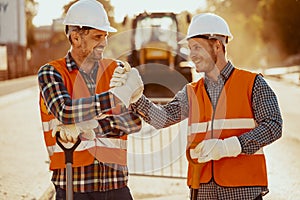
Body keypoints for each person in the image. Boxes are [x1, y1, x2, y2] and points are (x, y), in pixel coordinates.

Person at [110, 13, 283, 200]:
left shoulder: (252, 83)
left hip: (242, 190)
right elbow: (162, 118)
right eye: (190, 48)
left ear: (217, 46)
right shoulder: (191, 92)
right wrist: (137, 98)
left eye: (197, 48)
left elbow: (274, 125)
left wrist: (229, 147)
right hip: (203, 190)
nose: (191, 55)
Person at [37, 0, 143, 199]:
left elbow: (134, 121)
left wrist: (91, 128)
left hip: (116, 184)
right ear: (76, 38)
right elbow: (65, 111)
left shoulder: (116, 70)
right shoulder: (51, 73)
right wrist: (115, 97)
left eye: (105, 36)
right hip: (74, 185)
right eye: (97, 36)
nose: (104, 42)